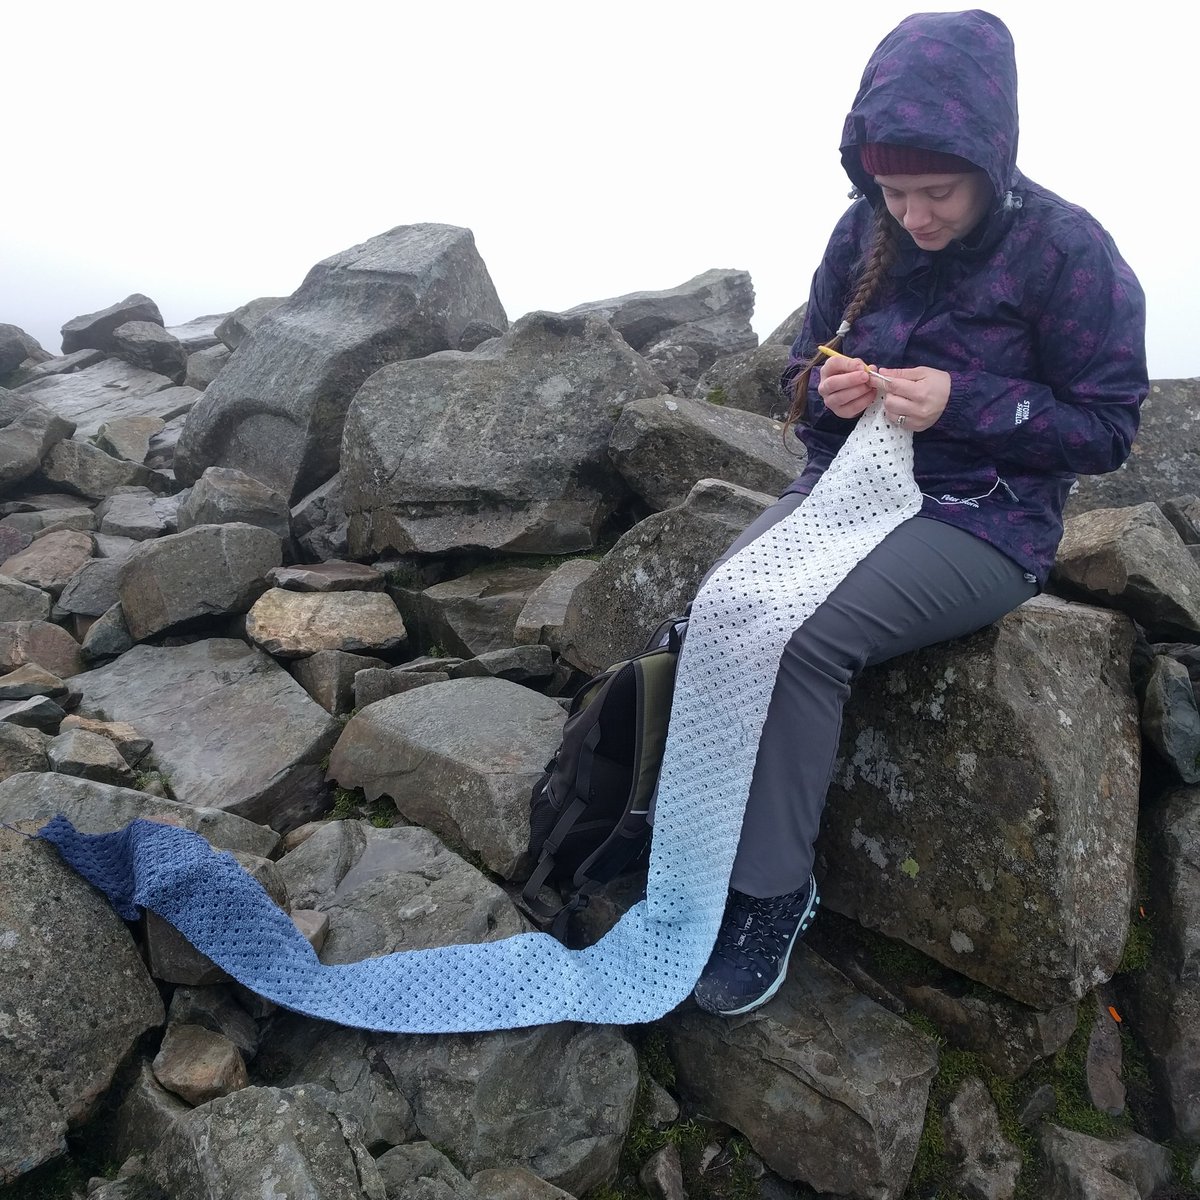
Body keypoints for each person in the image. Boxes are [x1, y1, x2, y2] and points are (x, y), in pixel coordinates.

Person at [690, 8, 1148, 1017]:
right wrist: (830, 390)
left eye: (936, 191)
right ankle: (686, 840)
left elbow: (1109, 429)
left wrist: (964, 401)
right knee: (720, 610)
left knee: (804, 638)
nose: (914, 214)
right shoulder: (863, 232)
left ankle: (771, 894)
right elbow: (800, 374)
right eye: (893, 190)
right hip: (849, 488)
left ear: (992, 158)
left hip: (986, 522)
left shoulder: (1070, 251)